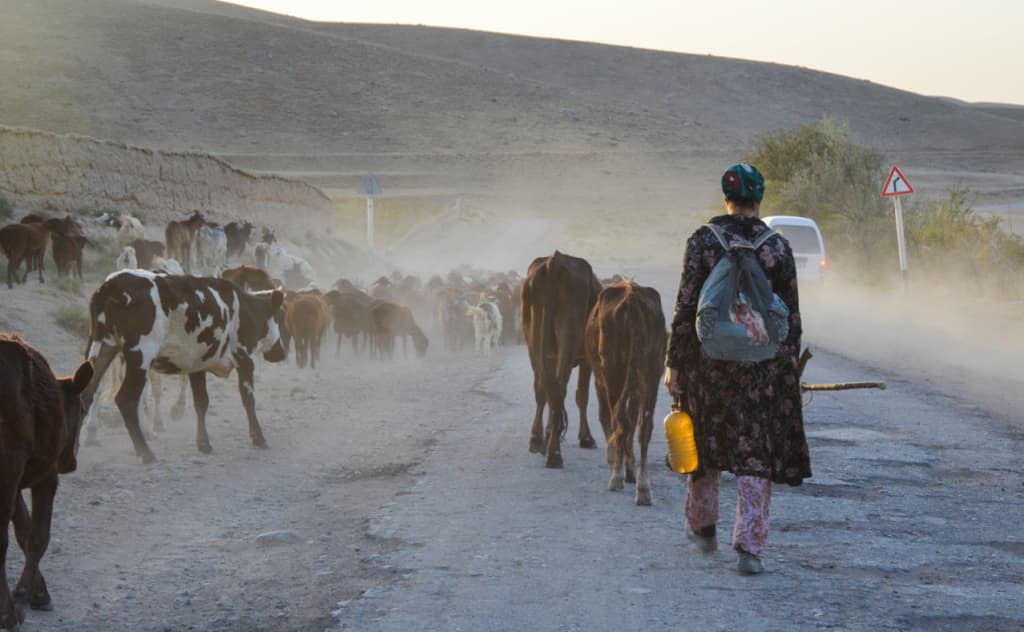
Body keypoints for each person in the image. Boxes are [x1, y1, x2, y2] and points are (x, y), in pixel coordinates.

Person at [664, 163, 811, 575]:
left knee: (704, 445)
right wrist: (789, 374)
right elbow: (791, 318)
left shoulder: (702, 242)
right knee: (754, 453)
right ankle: (749, 548)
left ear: (725, 199)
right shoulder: (777, 248)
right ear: (759, 200)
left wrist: (675, 363)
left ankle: (702, 527)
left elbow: (686, 306)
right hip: (761, 369)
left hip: (708, 366)